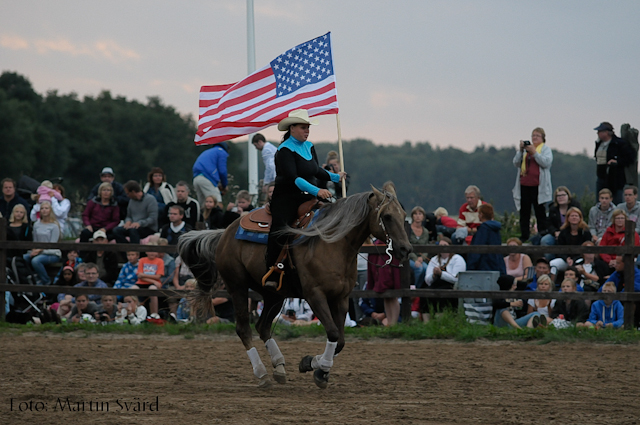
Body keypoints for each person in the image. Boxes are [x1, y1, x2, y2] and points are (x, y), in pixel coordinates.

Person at [263, 109, 346, 288]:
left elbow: (316, 170)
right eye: (303, 127)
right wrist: (318, 191)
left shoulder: (309, 147)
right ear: (292, 128)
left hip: (307, 196)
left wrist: (336, 177)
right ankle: (272, 270)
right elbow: (294, 178)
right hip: (286, 198)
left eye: (308, 127)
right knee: (281, 228)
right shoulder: (284, 150)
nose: (307, 131)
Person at [512, 127, 553, 242]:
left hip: (538, 186)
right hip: (524, 184)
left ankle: (542, 234)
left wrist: (534, 153)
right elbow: (516, 163)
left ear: (543, 138)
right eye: (533, 135)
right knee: (524, 212)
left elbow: (546, 163)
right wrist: (521, 151)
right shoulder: (525, 151)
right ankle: (524, 235)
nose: (534, 138)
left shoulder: (545, 150)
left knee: (539, 211)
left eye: (537, 136)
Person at [421, 236, 466, 321]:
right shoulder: (434, 259)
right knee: (425, 294)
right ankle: (426, 322)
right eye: (440, 245)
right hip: (435, 284)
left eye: (444, 245)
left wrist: (442, 274)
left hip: (450, 286)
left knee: (442, 294)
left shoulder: (457, 259)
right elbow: (427, 280)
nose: (442, 247)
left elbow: (456, 279)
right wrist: (433, 275)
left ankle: (440, 320)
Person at [593, 122, 634, 204]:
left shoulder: (619, 143)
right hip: (601, 176)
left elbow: (630, 157)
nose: (598, 134)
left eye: (600, 131)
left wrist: (617, 162)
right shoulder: (599, 143)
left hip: (615, 177)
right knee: (600, 200)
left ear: (606, 132)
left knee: (616, 200)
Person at [22, 201, 61, 285]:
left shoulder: (54, 225)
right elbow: (35, 241)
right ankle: (30, 279)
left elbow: (52, 244)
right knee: (23, 258)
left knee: (36, 261)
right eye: (42, 208)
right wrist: (34, 250)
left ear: (50, 210)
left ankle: (46, 281)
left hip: (51, 253)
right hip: (38, 251)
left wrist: (39, 250)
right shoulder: (36, 224)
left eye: (46, 208)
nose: (44, 210)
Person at [548, 207, 592, 274]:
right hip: (566, 260)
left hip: (580, 259)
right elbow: (559, 249)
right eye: (572, 216)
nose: (574, 217)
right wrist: (566, 258)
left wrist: (574, 260)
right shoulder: (563, 232)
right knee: (553, 264)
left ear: (580, 218)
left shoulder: (585, 232)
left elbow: (587, 249)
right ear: (568, 218)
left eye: (576, 216)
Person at [466, 203, 506, 274]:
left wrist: (471, 266)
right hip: (497, 264)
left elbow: (477, 248)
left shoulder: (483, 229)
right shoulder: (496, 229)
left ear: (481, 214)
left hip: (484, 266)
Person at [132, 245, 164, 315]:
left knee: (152, 289)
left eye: (154, 251)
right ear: (146, 252)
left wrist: (144, 275)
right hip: (142, 282)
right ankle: (135, 313)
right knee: (133, 289)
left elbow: (158, 276)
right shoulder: (142, 260)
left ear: (157, 252)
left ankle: (154, 314)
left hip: (153, 284)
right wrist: (153, 280)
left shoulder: (160, 261)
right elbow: (139, 275)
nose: (152, 253)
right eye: (150, 251)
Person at [408, 206, 430, 285]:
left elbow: (426, 247)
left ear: (423, 216)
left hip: (421, 257)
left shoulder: (425, 231)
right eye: (415, 214)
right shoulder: (408, 229)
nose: (417, 216)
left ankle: (418, 289)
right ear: (412, 216)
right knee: (419, 269)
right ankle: (413, 287)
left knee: (426, 269)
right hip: (409, 257)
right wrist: (415, 259)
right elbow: (407, 246)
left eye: (420, 214)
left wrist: (422, 257)